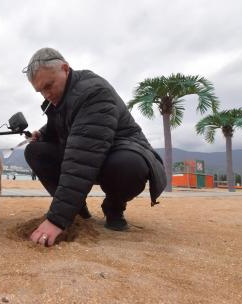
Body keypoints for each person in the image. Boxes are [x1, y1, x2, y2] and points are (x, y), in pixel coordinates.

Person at [23, 48, 166, 247]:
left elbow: (82, 156)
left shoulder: (94, 91)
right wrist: (43, 134)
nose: (46, 95)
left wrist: (57, 219)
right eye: (41, 91)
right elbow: (68, 125)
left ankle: (114, 207)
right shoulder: (58, 99)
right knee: (35, 151)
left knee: (129, 165)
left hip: (118, 153)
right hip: (88, 153)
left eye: (49, 85)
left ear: (65, 68)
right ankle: (78, 209)